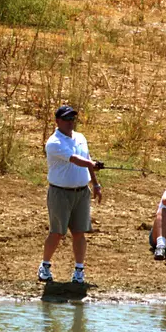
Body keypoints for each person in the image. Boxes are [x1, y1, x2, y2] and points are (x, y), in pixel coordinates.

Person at [38, 105, 101, 284]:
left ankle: (79, 270)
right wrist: (92, 163)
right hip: (60, 193)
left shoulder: (80, 138)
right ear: (58, 121)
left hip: (81, 192)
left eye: (72, 119)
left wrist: (95, 184)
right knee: (57, 232)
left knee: (79, 232)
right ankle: (45, 265)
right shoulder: (54, 142)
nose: (70, 123)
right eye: (66, 119)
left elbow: (87, 160)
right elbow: (75, 159)